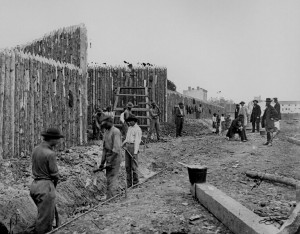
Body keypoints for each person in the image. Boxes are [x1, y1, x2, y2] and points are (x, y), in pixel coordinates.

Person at [26, 128, 64, 234]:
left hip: (34, 185)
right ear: (53, 139)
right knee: (45, 224)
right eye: (58, 139)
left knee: (41, 217)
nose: (59, 142)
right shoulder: (50, 153)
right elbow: (55, 175)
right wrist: (53, 186)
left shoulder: (36, 149)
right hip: (45, 187)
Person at [98, 115, 122, 199]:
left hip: (115, 158)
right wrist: (102, 163)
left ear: (110, 122)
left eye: (105, 124)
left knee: (113, 178)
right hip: (108, 157)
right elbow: (104, 149)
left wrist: (110, 161)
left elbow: (116, 149)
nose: (104, 126)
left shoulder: (116, 131)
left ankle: (112, 198)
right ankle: (109, 197)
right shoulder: (106, 132)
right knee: (108, 178)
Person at [122, 115, 142, 188]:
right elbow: (127, 138)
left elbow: (137, 141)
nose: (129, 122)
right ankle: (129, 185)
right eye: (128, 121)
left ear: (134, 121)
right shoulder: (129, 128)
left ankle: (136, 184)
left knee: (134, 167)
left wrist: (135, 152)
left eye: (130, 121)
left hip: (133, 147)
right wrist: (123, 144)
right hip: (127, 147)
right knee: (127, 166)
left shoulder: (138, 129)